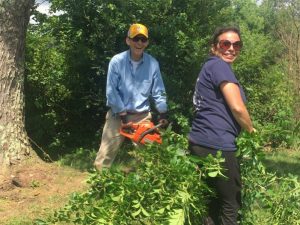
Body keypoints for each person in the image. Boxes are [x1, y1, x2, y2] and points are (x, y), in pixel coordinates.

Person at [188, 25, 255, 225]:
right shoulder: (219, 66)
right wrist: (251, 131)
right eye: (225, 43)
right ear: (214, 46)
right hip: (218, 145)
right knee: (231, 203)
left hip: (198, 143)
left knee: (211, 202)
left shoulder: (208, 66)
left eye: (237, 44)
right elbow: (237, 108)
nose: (231, 48)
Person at [94, 23, 168, 171]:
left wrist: (163, 113)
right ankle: (99, 187)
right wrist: (123, 116)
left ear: (146, 42)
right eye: (135, 39)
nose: (139, 43)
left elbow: (159, 90)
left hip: (142, 117)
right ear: (128, 40)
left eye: (143, 39)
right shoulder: (117, 61)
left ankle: (145, 191)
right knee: (104, 158)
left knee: (148, 159)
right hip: (117, 116)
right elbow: (111, 91)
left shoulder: (153, 64)